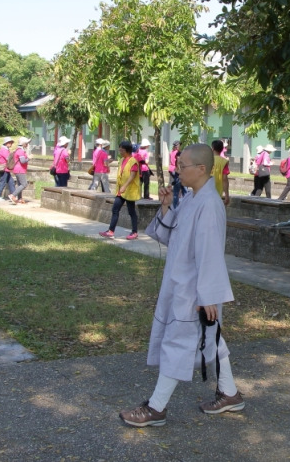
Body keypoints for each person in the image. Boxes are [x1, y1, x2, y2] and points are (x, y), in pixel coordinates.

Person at [119, 143, 244, 427]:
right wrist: (166, 207)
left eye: (182, 166)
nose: (178, 170)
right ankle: (230, 393)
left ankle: (156, 408)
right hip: (181, 282)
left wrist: (208, 296)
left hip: (195, 290)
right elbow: (172, 236)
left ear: (201, 169)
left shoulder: (209, 204)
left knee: (179, 342)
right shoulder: (190, 198)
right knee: (211, 338)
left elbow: (210, 252)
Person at [100, 140, 141, 240]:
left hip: (129, 190)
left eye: (122, 150)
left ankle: (134, 232)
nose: (120, 152)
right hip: (121, 190)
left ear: (127, 151)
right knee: (115, 209)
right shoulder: (122, 160)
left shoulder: (133, 161)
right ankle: (111, 231)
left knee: (131, 211)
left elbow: (132, 176)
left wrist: (125, 186)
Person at [10, 137, 31, 205]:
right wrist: (29, 158)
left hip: (18, 169)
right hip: (20, 170)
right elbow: (23, 161)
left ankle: (19, 198)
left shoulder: (19, 150)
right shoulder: (20, 151)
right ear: (23, 143)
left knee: (20, 184)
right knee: (24, 184)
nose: (27, 144)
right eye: (26, 143)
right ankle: (13, 195)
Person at [211, 139, 230, 206]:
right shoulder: (223, 162)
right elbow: (224, 179)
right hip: (217, 191)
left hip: (206, 189)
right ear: (222, 149)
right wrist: (227, 194)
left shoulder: (207, 160)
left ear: (212, 148)